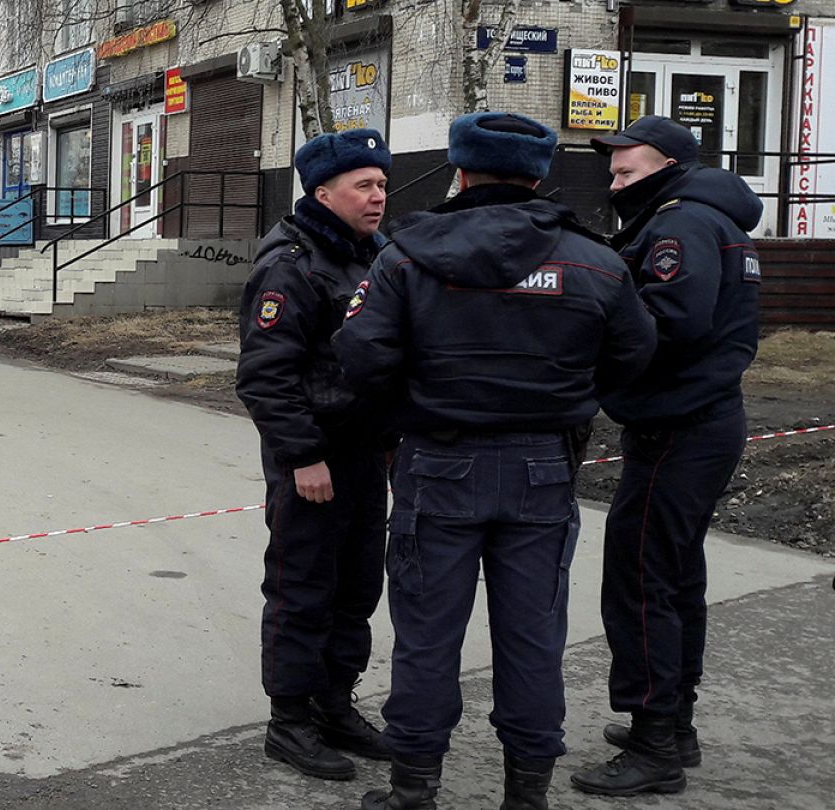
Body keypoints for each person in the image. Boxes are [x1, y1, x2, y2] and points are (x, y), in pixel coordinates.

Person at [334, 112, 656, 810]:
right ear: (540, 176)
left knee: (426, 635)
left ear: (460, 171)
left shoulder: (406, 257)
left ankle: (414, 788)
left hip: (437, 464)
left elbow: (360, 354)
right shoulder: (594, 260)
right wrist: (566, 397)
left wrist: (412, 408)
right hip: (542, 467)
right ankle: (527, 792)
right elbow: (634, 354)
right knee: (534, 636)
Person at [570, 115, 762, 797]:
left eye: (627, 171)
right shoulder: (710, 218)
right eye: (614, 172)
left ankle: (655, 744)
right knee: (675, 576)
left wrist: (587, 335)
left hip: (680, 427)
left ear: (669, 166)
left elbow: (668, 322)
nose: (615, 182)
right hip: (702, 421)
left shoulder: (679, 225)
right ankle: (674, 722)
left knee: (642, 579)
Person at [235, 128, 395, 781]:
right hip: (312, 459)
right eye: (364, 185)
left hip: (362, 455)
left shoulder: (373, 256)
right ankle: (290, 722)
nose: (378, 195)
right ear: (323, 192)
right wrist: (302, 455)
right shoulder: (291, 265)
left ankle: (334, 705)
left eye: (382, 183)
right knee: (303, 588)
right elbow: (266, 376)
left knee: (356, 588)